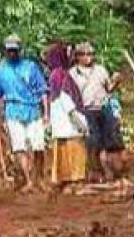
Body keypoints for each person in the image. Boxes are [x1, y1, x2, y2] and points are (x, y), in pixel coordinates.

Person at [0, 34, 49, 193]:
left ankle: (39, 177)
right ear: (5, 51)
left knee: (38, 146)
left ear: (20, 50)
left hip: (32, 110)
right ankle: (29, 180)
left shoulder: (30, 67)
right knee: (19, 147)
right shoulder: (0, 70)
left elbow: (42, 90)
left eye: (14, 50)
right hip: (13, 111)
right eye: (9, 51)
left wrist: (46, 113)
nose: (12, 53)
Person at [69, 41, 124, 182]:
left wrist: (116, 81)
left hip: (103, 109)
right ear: (78, 56)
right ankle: (96, 171)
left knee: (109, 141)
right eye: (84, 54)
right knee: (93, 142)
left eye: (91, 53)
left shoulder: (100, 70)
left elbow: (109, 89)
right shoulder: (73, 73)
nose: (88, 56)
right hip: (86, 111)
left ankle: (108, 171)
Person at [45, 42, 88, 190]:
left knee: (61, 155)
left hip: (59, 125)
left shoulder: (53, 75)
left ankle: (62, 182)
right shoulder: (62, 75)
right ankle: (74, 182)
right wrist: (80, 124)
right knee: (74, 154)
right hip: (70, 126)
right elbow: (67, 100)